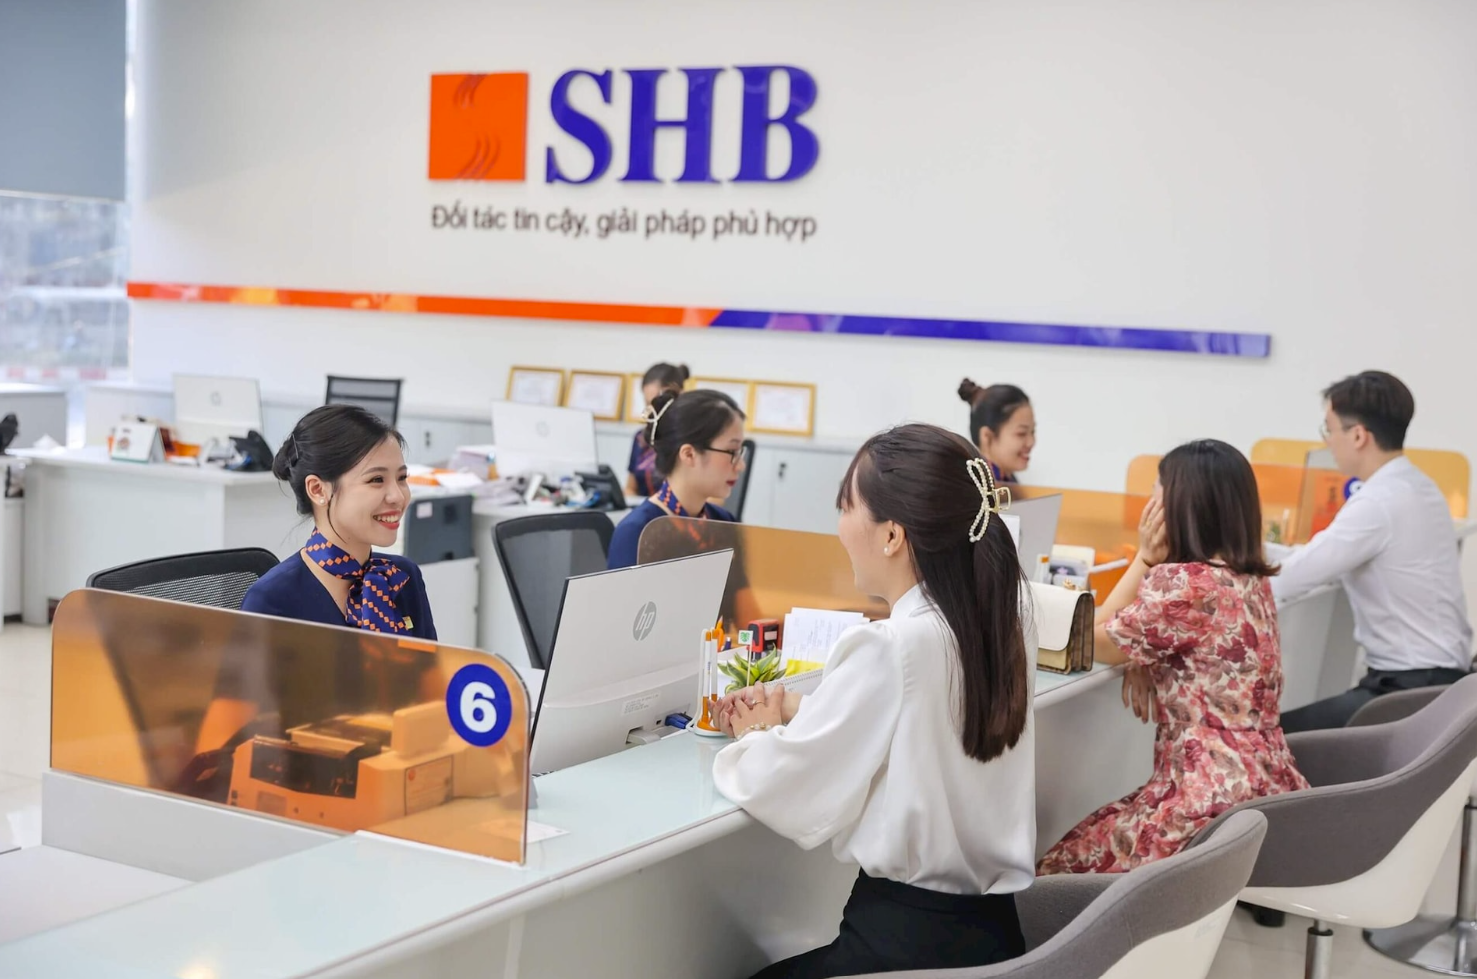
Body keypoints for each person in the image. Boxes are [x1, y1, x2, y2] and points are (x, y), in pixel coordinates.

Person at [712, 424, 1035, 978]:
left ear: (891, 535)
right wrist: (797, 709)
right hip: (994, 940)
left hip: (905, 948)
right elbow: (920, 731)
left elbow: (790, 786)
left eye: (846, 507)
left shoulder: (891, 645)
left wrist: (754, 734)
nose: (839, 526)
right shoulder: (1005, 617)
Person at [1037, 439, 1307, 875]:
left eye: (1155, 494)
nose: (1149, 505)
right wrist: (1143, 656)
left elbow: (1081, 638)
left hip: (1205, 800)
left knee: (1056, 869)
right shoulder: (1250, 579)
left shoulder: (1187, 584)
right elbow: (1187, 642)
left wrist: (1144, 559)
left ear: (1181, 507)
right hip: (1263, 787)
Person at [1274, 371, 1472, 733]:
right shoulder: (1416, 486)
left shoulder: (1378, 503)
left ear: (1358, 436)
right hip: (1442, 682)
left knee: (1264, 741)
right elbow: (1318, 555)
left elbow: (1286, 581)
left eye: (1329, 430)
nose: (1327, 442)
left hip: (1408, 691)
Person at [242, 404, 437, 639]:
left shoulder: (402, 577)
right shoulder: (271, 600)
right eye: (376, 479)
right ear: (317, 490)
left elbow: (430, 664)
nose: (398, 496)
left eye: (402, 477)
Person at [606, 388, 746, 571]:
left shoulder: (724, 522)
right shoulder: (637, 532)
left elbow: (743, 589)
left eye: (740, 452)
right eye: (732, 452)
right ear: (689, 454)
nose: (741, 465)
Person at [626, 362, 690, 496]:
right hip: (645, 507)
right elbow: (630, 488)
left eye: (658, 402)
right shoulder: (641, 438)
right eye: (647, 403)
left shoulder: (692, 439)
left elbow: (712, 498)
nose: (652, 411)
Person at [958, 379, 1034, 483]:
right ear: (987, 437)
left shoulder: (1007, 480)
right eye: (1021, 433)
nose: (1031, 442)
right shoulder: (972, 486)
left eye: (1032, 432)